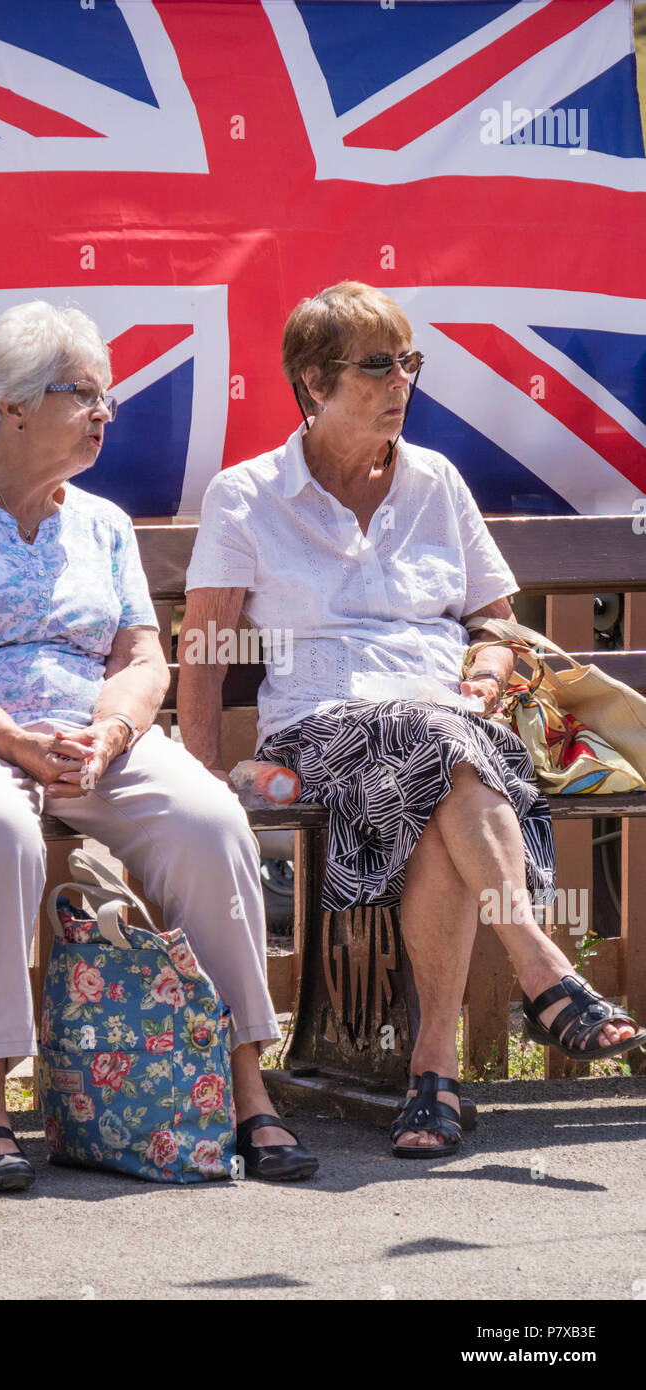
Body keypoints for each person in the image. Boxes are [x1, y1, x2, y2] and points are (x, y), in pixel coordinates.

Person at [0, 300, 318, 1191]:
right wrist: (12, 741)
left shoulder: (102, 523)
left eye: (109, 397)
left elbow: (142, 656)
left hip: (83, 742)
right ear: (11, 408)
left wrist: (108, 733)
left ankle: (245, 1087)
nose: (107, 412)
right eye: (84, 395)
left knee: (211, 820)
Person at [178, 280, 646, 1160]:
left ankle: (430, 1078)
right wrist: (202, 775)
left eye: (409, 362)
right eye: (378, 365)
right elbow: (202, 647)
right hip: (320, 730)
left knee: (442, 766)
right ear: (312, 384)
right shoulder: (248, 493)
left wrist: (481, 673)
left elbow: (496, 623)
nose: (401, 382)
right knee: (442, 749)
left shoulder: (434, 479)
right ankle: (543, 971)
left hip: (448, 727)